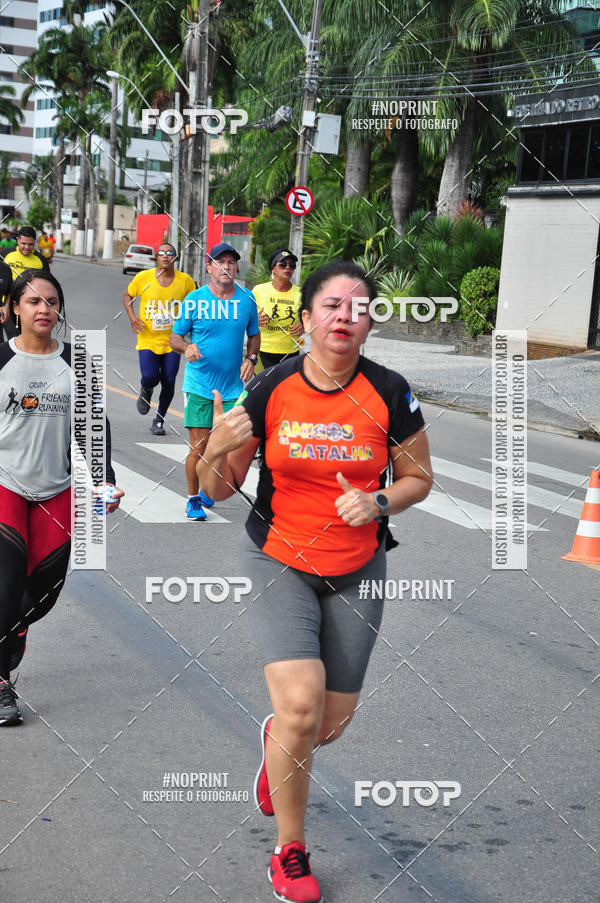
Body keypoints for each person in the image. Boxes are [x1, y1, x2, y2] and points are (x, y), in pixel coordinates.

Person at [197, 261, 433, 903]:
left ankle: (281, 744)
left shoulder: (389, 391)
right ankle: (290, 851)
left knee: (326, 723)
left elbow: (418, 477)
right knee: (300, 702)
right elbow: (214, 490)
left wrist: (380, 503)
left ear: (369, 324)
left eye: (357, 308)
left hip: (358, 566)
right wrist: (215, 445)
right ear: (304, 319)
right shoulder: (271, 389)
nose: (343, 317)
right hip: (277, 558)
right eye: (330, 306)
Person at [0, 269, 123, 725]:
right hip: (5, 483)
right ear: (15, 307)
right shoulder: (0, 359)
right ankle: (0, 684)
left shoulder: (78, 361)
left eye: (52, 301)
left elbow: (96, 428)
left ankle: (9, 640)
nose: (44, 309)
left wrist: (104, 479)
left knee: (42, 594)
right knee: (6, 581)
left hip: (56, 488)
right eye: (33, 301)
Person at [169, 242, 260, 521]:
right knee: (199, 444)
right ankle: (193, 499)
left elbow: (254, 335)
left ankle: (211, 485)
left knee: (229, 445)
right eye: (220, 262)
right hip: (199, 385)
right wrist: (186, 348)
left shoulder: (246, 300)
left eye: (231, 262)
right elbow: (174, 338)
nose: (226, 267)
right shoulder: (194, 300)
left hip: (233, 387)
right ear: (209, 267)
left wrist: (251, 358)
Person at [123, 241, 195, 435]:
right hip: (147, 338)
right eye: (161, 253)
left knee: (169, 379)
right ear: (157, 257)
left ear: (175, 257)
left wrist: (193, 328)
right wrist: (132, 317)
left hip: (173, 340)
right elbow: (127, 296)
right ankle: (146, 389)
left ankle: (159, 419)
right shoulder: (143, 277)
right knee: (150, 376)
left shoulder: (186, 281)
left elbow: (196, 304)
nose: (165, 256)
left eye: (169, 253)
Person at [253, 248, 303, 370]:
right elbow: (241, 316)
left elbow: (312, 320)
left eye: (292, 265)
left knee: (286, 389)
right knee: (264, 388)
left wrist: (304, 325)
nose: (288, 268)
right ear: (273, 269)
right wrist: (253, 320)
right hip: (263, 352)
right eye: (282, 264)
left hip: (290, 353)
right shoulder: (259, 290)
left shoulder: (301, 293)